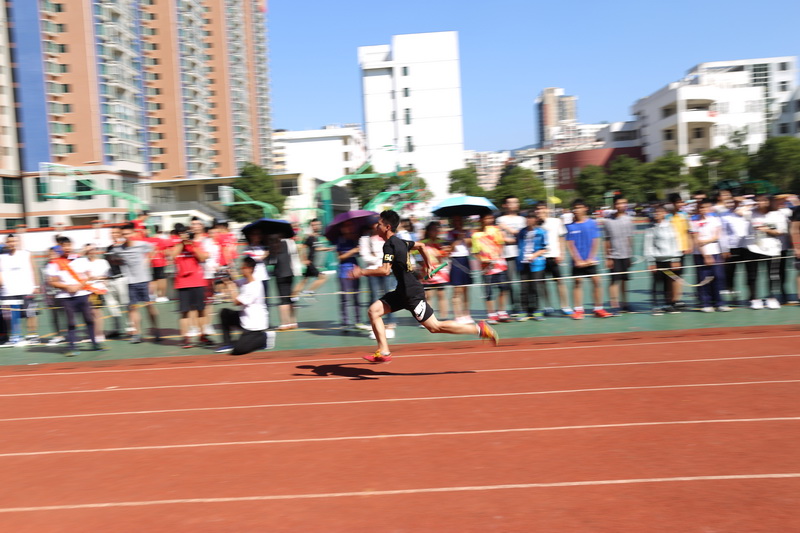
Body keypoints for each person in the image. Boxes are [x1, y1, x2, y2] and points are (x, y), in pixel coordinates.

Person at [350, 210, 498, 363]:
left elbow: (385, 271)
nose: (376, 227)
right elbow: (421, 246)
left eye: (379, 224)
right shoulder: (400, 241)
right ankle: (384, 351)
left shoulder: (390, 245)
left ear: (387, 227)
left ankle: (479, 329)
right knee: (374, 311)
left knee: (435, 327)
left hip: (411, 294)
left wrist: (362, 271)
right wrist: (428, 264)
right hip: (402, 291)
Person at [45, 237, 104, 356]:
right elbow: (51, 281)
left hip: (82, 294)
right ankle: (72, 347)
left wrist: (79, 286)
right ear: (59, 247)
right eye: (63, 245)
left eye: (68, 245)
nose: (66, 248)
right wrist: (67, 287)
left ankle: (94, 343)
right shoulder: (54, 263)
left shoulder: (80, 260)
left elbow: (88, 276)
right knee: (71, 321)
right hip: (66, 296)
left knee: (89, 319)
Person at [216, 257, 276, 355]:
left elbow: (236, 302)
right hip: (244, 319)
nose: (241, 269)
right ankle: (228, 343)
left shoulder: (254, 286)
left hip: (254, 325)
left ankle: (264, 337)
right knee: (225, 313)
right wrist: (229, 275)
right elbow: (235, 282)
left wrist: (231, 288)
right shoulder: (245, 281)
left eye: (243, 267)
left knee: (238, 350)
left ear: (249, 269)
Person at [566, 199, 612, 319]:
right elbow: (570, 244)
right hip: (577, 262)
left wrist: (591, 258)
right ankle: (578, 310)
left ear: (585, 208)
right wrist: (577, 260)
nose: (577, 210)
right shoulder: (570, 226)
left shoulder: (592, 223)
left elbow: (595, 241)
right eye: (575, 208)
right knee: (577, 282)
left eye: (579, 207)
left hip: (591, 260)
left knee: (597, 282)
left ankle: (598, 309)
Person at [116, 223, 161, 343]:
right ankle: (137, 334)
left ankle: (156, 330)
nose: (126, 236)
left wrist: (148, 260)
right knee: (133, 308)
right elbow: (113, 258)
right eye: (124, 234)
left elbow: (154, 249)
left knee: (149, 306)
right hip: (131, 282)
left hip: (145, 281)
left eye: (128, 233)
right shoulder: (119, 249)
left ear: (133, 233)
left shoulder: (141, 244)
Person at [743, 194, 787, 310]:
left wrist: (766, 229)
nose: (760, 203)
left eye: (763, 200)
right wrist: (748, 204)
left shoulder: (777, 214)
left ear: (768, 202)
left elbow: (780, 231)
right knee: (752, 275)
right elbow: (739, 211)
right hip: (753, 247)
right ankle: (754, 299)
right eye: (758, 201)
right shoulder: (751, 212)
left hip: (772, 248)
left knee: (772, 275)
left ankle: (771, 298)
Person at [172, 222, 211, 348]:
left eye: (186, 234)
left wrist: (191, 245)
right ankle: (186, 338)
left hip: (197, 281)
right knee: (184, 312)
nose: (185, 236)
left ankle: (202, 335)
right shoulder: (176, 245)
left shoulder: (195, 244)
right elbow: (172, 256)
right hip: (182, 283)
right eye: (182, 234)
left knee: (201, 310)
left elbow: (202, 258)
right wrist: (182, 243)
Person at [690, 199, 731, 313]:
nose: (703, 209)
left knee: (718, 277)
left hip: (715, 252)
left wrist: (706, 241)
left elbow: (717, 236)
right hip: (701, 253)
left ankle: (720, 303)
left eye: (705, 207)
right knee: (705, 279)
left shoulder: (715, 219)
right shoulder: (693, 221)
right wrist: (706, 256)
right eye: (701, 207)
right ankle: (706, 303)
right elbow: (696, 240)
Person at [0, 234, 40, 346]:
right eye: (9, 241)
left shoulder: (26, 254)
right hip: (8, 291)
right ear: (6, 243)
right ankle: (15, 336)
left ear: (18, 242)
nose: (12, 243)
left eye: (14, 241)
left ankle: (33, 336)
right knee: (9, 316)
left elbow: (34, 269)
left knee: (30, 313)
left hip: (26, 289)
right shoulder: (2, 257)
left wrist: (36, 286)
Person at [360, 222, 397, 339]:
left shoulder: (386, 238)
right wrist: (380, 259)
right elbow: (365, 256)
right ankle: (375, 327)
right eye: (374, 223)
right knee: (374, 298)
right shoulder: (365, 239)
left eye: (379, 224)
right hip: (372, 271)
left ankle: (390, 325)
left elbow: (391, 252)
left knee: (389, 297)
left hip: (386, 271)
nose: (377, 226)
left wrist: (381, 259)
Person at [471, 213, 510, 324]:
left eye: (491, 218)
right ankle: (491, 314)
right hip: (486, 267)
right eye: (487, 218)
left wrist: (497, 257)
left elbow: (501, 244)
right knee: (489, 291)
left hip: (499, 264)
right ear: (481, 220)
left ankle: (502, 312)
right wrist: (483, 261)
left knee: (503, 288)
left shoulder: (496, 230)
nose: (489, 220)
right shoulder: (476, 235)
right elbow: (475, 252)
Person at [534, 202, 571, 316]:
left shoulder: (556, 221)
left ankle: (565, 306)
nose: (540, 211)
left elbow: (561, 238)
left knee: (560, 282)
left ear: (547, 209)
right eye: (538, 209)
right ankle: (547, 306)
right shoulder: (534, 224)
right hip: (540, 258)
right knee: (542, 283)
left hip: (554, 256)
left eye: (542, 208)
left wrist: (561, 253)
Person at [643, 204, 681, 315]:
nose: (656, 214)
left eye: (659, 212)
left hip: (669, 260)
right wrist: (651, 261)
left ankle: (668, 304)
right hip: (657, 261)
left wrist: (676, 259)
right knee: (656, 283)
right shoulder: (651, 228)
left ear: (664, 213)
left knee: (668, 283)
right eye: (655, 212)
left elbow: (675, 242)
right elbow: (648, 246)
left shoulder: (671, 226)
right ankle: (656, 306)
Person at [603, 196, 635, 313]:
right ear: (614, 205)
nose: (621, 205)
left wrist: (630, 255)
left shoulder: (629, 219)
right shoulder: (608, 221)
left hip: (625, 255)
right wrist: (608, 257)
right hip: (614, 256)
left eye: (624, 203)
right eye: (619, 203)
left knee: (624, 280)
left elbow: (630, 238)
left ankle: (625, 303)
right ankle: (614, 305)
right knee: (614, 281)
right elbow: (606, 240)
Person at [496, 196, 526, 316]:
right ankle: (515, 306)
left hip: (522, 254)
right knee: (509, 283)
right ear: (505, 205)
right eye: (510, 202)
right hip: (508, 255)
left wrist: (509, 230)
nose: (514, 204)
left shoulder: (523, 219)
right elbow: (502, 238)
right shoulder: (500, 219)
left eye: (515, 202)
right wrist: (516, 237)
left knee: (524, 281)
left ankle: (525, 306)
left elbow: (524, 235)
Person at [516, 212, 548, 321]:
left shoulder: (541, 232)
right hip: (523, 263)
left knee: (535, 288)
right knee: (524, 288)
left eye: (530, 218)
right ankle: (523, 310)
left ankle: (537, 310)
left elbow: (544, 248)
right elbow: (518, 244)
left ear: (535, 219)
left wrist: (534, 255)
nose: (528, 220)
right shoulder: (522, 232)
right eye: (527, 218)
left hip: (537, 264)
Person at [336, 221, 367, 331]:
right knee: (345, 298)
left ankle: (358, 321)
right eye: (345, 226)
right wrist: (353, 250)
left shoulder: (356, 239)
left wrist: (360, 249)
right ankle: (345, 322)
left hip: (355, 271)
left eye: (350, 226)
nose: (348, 228)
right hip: (344, 272)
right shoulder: (340, 240)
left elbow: (361, 253)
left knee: (356, 297)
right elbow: (340, 257)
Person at [420, 221, 451, 322]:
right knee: (428, 296)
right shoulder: (422, 243)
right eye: (433, 230)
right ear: (428, 231)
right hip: (427, 271)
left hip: (440, 271)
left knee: (441, 294)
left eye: (437, 229)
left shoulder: (442, 242)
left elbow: (446, 254)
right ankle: (428, 318)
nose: (436, 231)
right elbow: (416, 255)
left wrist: (446, 251)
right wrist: (423, 266)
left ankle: (444, 317)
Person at [292, 219, 332, 297]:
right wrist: (304, 260)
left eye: (317, 225)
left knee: (304, 281)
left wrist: (327, 249)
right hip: (310, 263)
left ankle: (292, 297)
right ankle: (309, 291)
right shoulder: (310, 237)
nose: (316, 227)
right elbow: (302, 247)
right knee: (323, 277)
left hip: (311, 263)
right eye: (313, 225)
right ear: (311, 226)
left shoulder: (317, 237)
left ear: (320, 226)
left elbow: (316, 248)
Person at [104, 227, 131, 338]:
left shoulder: (124, 247)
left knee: (126, 304)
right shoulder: (109, 248)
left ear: (120, 234)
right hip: (111, 280)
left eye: (116, 233)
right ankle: (117, 328)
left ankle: (130, 328)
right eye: (112, 233)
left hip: (122, 279)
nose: (113, 234)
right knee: (112, 305)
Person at [446, 215, 474, 323]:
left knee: (466, 289)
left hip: (465, 260)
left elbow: (471, 244)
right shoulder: (450, 233)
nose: (458, 222)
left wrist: (464, 236)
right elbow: (450, 248)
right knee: (457, 290)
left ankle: (467, 314)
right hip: (456, 260)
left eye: (460, 220)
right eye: (456, 220)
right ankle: (458, 315)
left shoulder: (467, 232)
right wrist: (458, 238)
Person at [668, 193, 692, 309]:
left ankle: (677, 299)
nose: (680, 204)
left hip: (682, 249)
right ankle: (671, 299)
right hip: (671, 250)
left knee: (679, 275)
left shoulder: (684, 216)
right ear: (672, 204)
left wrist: (689, 245)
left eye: (681, 202)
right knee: (671, 276)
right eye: (678, 202)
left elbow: (688, 231)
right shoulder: (668, 217)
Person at [82, 244, 111, 343]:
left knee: (96, 312)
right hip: (85, 290)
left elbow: (107, 276)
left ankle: (99, 335)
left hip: (96, 290)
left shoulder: (102, 262)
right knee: (89, 314)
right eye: (88, 250)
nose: (91, 252)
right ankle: (93, 334)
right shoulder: (82, 262)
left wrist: (97, 278)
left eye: (93, 249)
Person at [269, 234, 298, 330]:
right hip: (290, 273)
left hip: (280, 274)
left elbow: (272, 261)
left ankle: (285, 323)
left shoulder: (274, 244)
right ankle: (293, 322)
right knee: (290, 298)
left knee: (283, 299)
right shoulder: (290, 242)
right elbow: (294, 255)